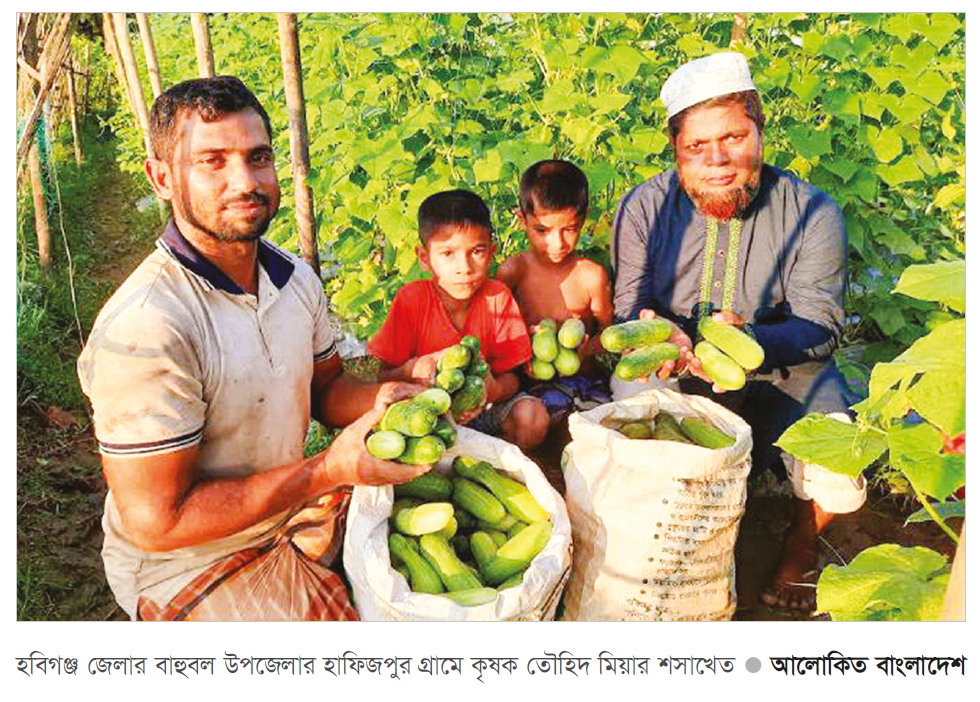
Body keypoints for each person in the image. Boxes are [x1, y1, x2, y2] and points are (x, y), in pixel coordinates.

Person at [76, 76, 430, 621]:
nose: (245, 181)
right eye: (212, 161)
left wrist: (393, 391)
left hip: (285, 510)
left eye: (258, 157)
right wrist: (328, 470)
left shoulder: (294, 279)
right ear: (162, 178)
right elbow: (159, 523)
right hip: (186, 562)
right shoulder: (149, 325)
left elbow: (328, 390)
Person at [610, 52, 866, 611]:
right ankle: (664, 548)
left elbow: (820, 325)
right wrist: (655, 332)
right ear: (676, 150)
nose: (717, 161)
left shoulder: (812, 212)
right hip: (676, 365)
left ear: (761, 132)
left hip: (784, 369)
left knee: (835, 457)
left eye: (733, 138)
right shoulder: (643, 209)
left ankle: (801, 545)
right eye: (697, 146)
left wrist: (750, 339)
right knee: (630, 401)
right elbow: (629, 305)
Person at [368, 189, 550, 452]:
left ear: (491, 252)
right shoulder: (412, 300)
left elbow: (513, 376)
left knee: (532, 418)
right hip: (429, 414)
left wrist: (493, 390)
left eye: (476, 251)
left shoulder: (498, 297)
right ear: (424, 258)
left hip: (486, 409)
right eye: (447, 254)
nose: (464, 268)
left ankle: (501, 466)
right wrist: (412, 369)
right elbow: (382, 377)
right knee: (393, 431)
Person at [497, 159, 614, 428]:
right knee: (535, 424)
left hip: (585, 383)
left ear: (583, 220)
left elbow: (609, 333)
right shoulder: (514, 272)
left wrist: (587, 349)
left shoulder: (591, 276)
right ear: (522, 219)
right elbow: (496, 331)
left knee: (596, 430)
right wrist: (521, 350)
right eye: (542, 230)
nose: (557, 243)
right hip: (529, 385)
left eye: (569, 229)